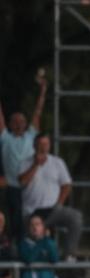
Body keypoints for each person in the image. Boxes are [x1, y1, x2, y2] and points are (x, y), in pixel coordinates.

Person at [18, 133, 83, 260]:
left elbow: (66, 185)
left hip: (53, 209)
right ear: (34, 145)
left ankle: (69, 254)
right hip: (32, 212)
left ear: (50, 146)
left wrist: (59, 203)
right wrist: (35, 165)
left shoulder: (57, 162)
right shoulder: (25, 163)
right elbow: (22, 182)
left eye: (46, 144)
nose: (43, 147)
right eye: (40, 144)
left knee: (75, 217)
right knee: (34, 236)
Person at [0, 74, 47, 248]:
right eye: (15, 121)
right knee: (16, 221)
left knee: (34, 220)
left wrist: (42, 91)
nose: (19, 124)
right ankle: (17, 247)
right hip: (13, 187)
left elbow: (38, 111)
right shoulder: (5, 138)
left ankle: (37, 245)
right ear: (10, 124)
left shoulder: (31, 136)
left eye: (22, 121)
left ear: (26, 124)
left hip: (31, 186)